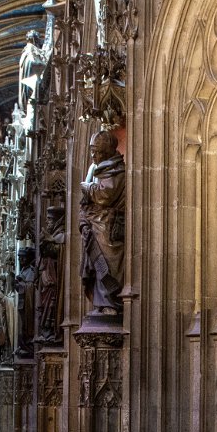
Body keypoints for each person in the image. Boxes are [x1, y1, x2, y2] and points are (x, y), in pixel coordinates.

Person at [79, 130, 126, 315]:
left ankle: (111, 303)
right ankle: (101, 303)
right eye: (92, 151)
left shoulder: (117, 170)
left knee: (108, 264)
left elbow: (104, 195)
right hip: (94, 224)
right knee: (96, 267)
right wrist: (83, 222)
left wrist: (87, 187)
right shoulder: (95, 168)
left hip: (108, 225)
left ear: (107, 151)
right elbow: (85, 203)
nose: (94, 155)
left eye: (97, 151)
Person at [38, 205, 65, 341]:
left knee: (51, 308)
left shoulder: (61, 236)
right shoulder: (54, 236)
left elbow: (58, 252)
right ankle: (46, 331)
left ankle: (52, 332)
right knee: (45, 309)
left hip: (53, 281)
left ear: (58, 220)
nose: (47, 223)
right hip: (47, 281)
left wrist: (50, 241)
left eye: (50, 220)